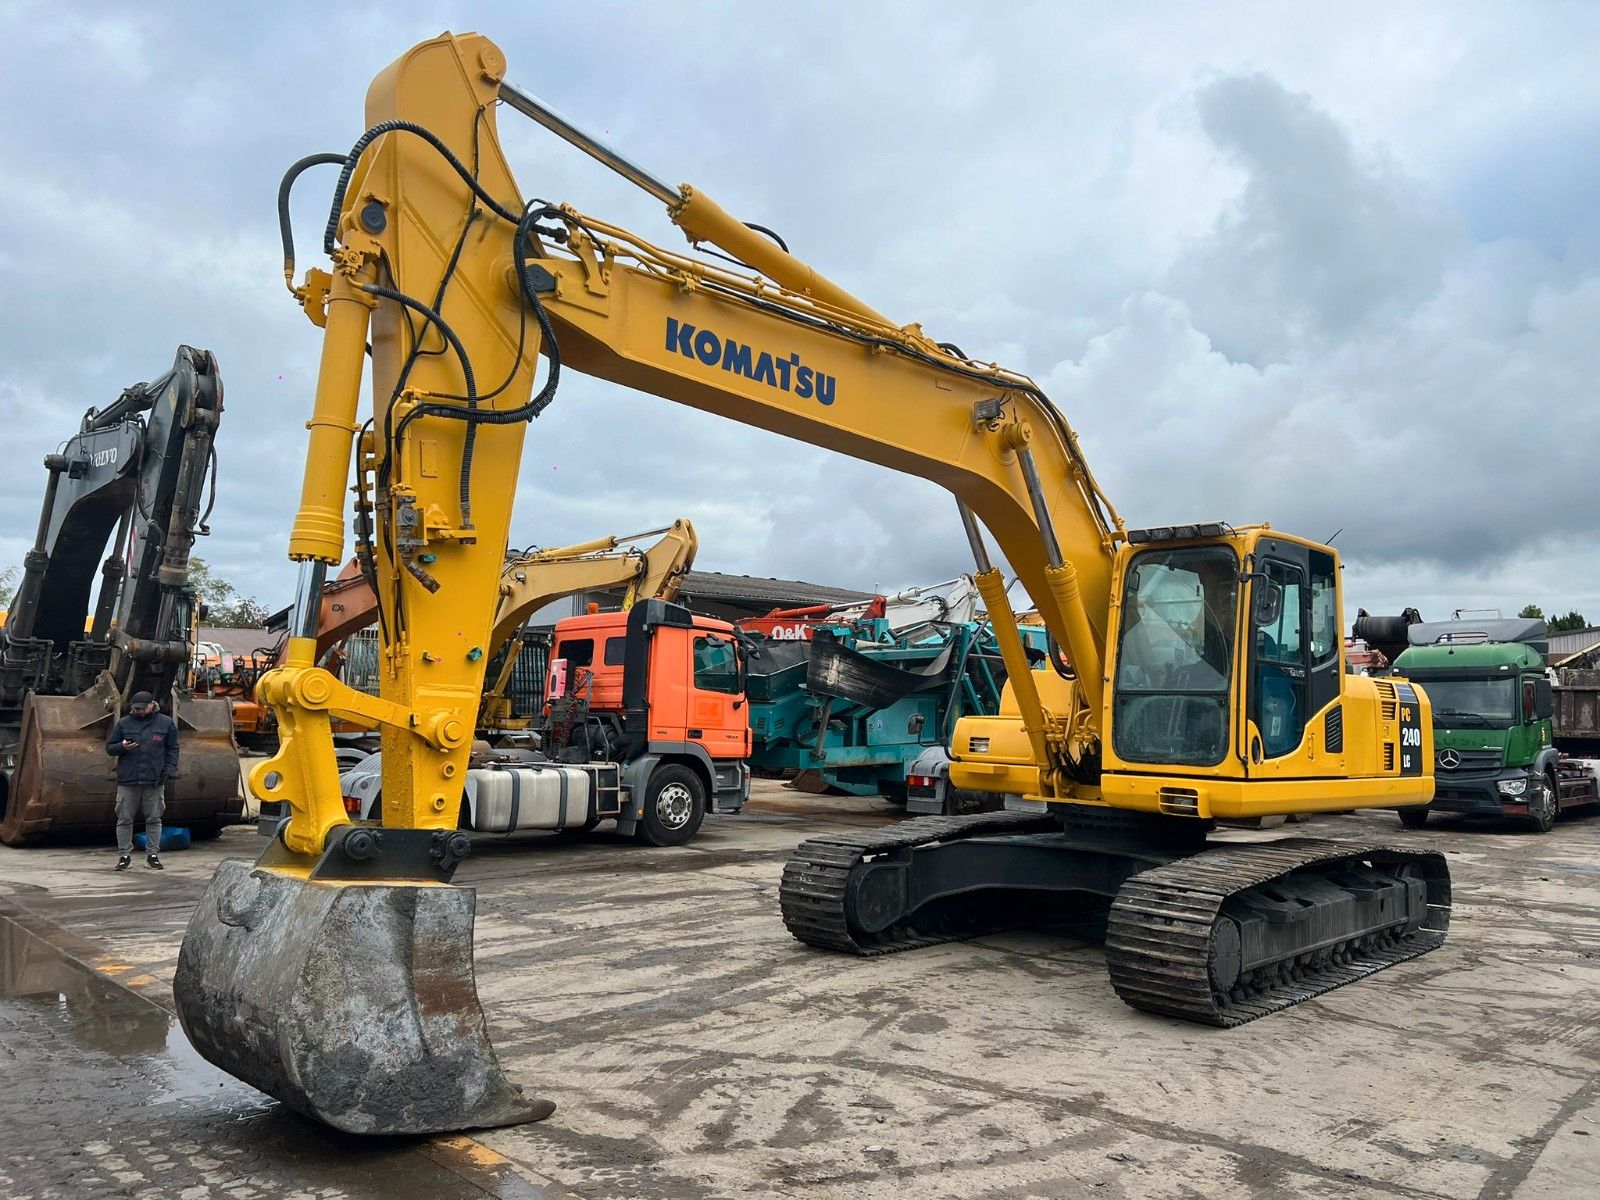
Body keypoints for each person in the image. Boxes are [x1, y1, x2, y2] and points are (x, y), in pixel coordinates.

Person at [105, 690, 179, 871]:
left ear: (152, 704)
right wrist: (122, 746)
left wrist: (169, 770)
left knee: (154, 819)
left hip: (154, 780)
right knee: (124, 819)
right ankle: (124, 855)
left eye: (141, 708)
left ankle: (152, 855)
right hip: (128, 780)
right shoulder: (123, 723)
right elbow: (110, 748)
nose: (138, 711)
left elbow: (173, 749)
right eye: (135, 708)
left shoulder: (166, 723)